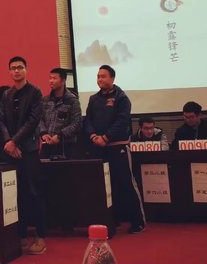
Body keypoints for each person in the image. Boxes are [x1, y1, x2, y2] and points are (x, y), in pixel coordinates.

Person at [84, 64, 146, 234]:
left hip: (118, 147)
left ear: (112, 78)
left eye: (103, 76)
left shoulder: (121, 97)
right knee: (107, 186)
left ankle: (138, 221)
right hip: (99, 148)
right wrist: (93, 136)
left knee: (126, 184)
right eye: (98, 76)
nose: (99, 79)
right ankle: (113, 219)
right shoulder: (93, 99)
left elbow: (122, 121)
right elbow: (87, 120)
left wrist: (106, 137)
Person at [0, 56, 47, 255]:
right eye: (13, 68)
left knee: (34, 193)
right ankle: (20, 236)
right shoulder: (7, 94)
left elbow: (33, 120)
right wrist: (8, 142)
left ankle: (40, 237)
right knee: (15, 195)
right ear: (9, 71)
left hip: (29, 150)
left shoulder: (35, 92)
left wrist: (14, 141)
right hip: (11, 151)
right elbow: (1, 120)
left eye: (20, 67)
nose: (16, 71)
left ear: (26, 69)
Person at [39, 67, 82, 159]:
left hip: (66, 147)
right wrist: (43, 133)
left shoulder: (72, 100)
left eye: (54, 78)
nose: (51, 81)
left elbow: (77, 123)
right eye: (50, 78)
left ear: (63, 81)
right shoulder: (45, 100)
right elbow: (40, 119)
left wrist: (60, 136)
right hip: (47, 145)